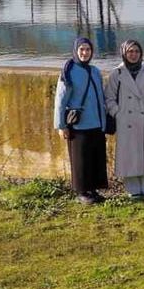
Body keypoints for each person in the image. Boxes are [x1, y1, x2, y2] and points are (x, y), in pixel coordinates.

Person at [104, 39, 144, 198]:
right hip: (126, 121)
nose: (133, 54)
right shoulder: (117, 74)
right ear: (124, 53)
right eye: (130, 51)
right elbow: (109, 97)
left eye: (136, 51)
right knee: (129, 154)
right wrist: (118, 113)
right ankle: (132, 188)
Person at [54, 36, 109, 204]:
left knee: (95, 158)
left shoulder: (95, 71)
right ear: (76, 51)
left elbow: (101, 97)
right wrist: (61, 126)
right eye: (82, 50)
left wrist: (104, 122)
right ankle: (82, 192)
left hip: (97, 123)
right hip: (78, 125)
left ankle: (93, 189)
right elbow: (60, 100)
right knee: (80, 160)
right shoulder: (69, 71)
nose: (85, 53)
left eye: (88, 50)